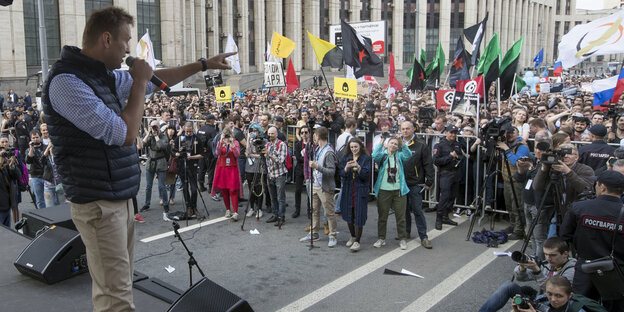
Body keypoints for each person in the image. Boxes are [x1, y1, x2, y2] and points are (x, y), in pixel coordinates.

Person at [41, 7, 234, 310]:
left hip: (117, 197)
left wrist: (202, 64)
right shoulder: (67, 82)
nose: (128, 49)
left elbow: (159, 78)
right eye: (125, 41)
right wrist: (141, 82)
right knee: (115, 298)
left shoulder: (100, 76)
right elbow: (124, 133)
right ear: (106, 39)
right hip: (98, 203)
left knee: (119, 287)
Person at [560, 170, 624, 311]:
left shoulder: (580, 207)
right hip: (617, 271)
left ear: (603, 187)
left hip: (586, 268)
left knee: (581, 307)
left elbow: (564, 236)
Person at [478, 237, 577, 312]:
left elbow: (555, 291)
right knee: (509, 286)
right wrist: (522, 267)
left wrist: (537, 272)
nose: (548, 258)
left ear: (565, 254)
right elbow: (520, 278)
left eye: (552, 255)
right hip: (542, 300)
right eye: (546, 254)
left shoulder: (572, 269)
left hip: (557, 306)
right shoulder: (549, 263)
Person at [299, 126, 338, 247]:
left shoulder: (329, 152)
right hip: (315, 184)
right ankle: (314, 232)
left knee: (329, 212)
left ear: (318, 136)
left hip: (325, 187)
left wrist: (317, 167)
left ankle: (332, 235)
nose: (313, 137)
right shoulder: (317, 149)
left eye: (314, 135)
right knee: (314, 210)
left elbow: (332, 171)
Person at [371, 135, 412, 250]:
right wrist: (381, 142)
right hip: (384, 190)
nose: (393, 145)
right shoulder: (382, 156)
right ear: (388, 144)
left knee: (401, 216)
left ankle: (402, 238)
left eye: (396, 144)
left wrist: (402, 142)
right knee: (382, 216)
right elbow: (374, 155)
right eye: (391, 143)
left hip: (399, 190)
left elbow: (408, 155)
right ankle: (381, 238)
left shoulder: (399, 156)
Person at [400, 120, 434, 248]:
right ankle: (406, 232)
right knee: (403, 210)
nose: (405, 131)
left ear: (414, 129)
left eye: (408, 128)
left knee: (417, 210)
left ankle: (423, 237)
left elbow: (428, 164)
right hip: (401, 183)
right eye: (403, 129)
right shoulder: (398, 143)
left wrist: (429, 181)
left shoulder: (421, 145)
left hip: (415, 183)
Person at [338, 137, 372, 252]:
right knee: (349, 214)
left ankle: (357, 240)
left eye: (356, 147)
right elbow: (341, 173)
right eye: (352, 147)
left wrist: (358, 167)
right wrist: (346, 168)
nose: (354, 149)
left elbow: (366, 175)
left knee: (359, 215)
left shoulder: (366, 158)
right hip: (348, 189)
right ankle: (352, 236)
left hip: (359, 189)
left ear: (360, 147)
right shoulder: (346, 157)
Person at [497, 127, 530, 240]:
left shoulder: (522, 147)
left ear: (518, 134)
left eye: (512, 132)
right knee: (510, 206)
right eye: (508, 132)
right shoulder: (507, 145)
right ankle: (513, 225)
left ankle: (519, 230)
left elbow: (517, 163)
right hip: (507, 179)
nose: (510, 135)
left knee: (518, 206)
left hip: (517, 181)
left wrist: (506, 149)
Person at [511, 276, 607, 312]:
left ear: (570, 296)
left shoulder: (578, 310)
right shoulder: (542, 299)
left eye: (559, 296)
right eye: (549, 293)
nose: (552, 299)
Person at [432, 125, 464, 230]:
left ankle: (446, 216)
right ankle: (439, 218)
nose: (453, 135)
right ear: (446, 133)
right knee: (444, 197)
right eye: (451, 132)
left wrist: (457, 157)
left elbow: (461, 156)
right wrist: (450, 157)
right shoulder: (440, 145)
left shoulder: (457, 144)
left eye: (455, 133)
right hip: (445, 173)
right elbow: (436, 161)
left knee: (452, 196)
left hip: (456, 173)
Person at [140, 120, 170, 220]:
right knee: (148, 186)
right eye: (152, 126)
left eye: (155, 127)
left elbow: (161, 146)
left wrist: (156, 135)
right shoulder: (150, 135)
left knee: (162, 186)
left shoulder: (164, 136)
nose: (154, 129)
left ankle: (165, 204)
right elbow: (143, 145)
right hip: (150, 162)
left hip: (161, 162)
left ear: (159, 127)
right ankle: (146, 203)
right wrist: (148, 133)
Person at [175, 122, 205, 218]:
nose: (188, 133)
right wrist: (178, 152)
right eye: (187, 131)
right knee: (184, 187)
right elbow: (173, 151)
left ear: (193, 129)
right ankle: (188, 206)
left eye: (190, 131)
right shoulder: (179, 138)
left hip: (193, 166)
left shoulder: (197, 139)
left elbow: (202, 155)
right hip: (182, 166)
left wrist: (191, 157)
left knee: (194, 189)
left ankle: (194, 206)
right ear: (184, 129)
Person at [213, 128, 242, 221]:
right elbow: (217, 152)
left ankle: (236, 211)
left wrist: (232, 144)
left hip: (232, 169)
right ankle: (228, 209)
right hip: (222, 168)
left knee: (233, 190)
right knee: (224, 190)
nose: (227, 136)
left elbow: (237, 154)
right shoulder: (220, 143)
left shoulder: (235, 142)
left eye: (229, 134)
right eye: (225, 134)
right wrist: (221, 141)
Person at [264, 126, 288, 227]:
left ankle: (281, 217)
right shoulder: (268, 144)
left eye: (272, 133)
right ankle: (275, 214)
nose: (270, 135)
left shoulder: (281, 144)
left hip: (279, 175)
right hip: (270, 174)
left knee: (280, 198)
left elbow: (280, 161)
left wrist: (269, 155)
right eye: (269, 134)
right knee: (273, 197)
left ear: (277, 134)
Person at [244, 123, 266, 218]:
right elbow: (247, 151)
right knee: (251, 189)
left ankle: (259, 209)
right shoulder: (250, 140)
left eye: (255, 131)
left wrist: (251, 155)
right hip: (250, 167)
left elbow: (261, 155)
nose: (254, 133)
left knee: (259, 188)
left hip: (260, 167)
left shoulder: (263, 141)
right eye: (252, 131)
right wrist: (248, 139)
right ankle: (252, 208)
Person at [24, 129, 47, 209]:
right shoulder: (28, 150)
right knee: (40, 200)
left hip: (46, 175)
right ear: (31, 139)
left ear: (40, 137)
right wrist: (31, 148)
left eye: (37, 137)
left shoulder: (45, 147)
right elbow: (28, 161)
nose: (35, 139)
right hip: (36, 176)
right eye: (33, 138)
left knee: (48, 198)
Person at [292, 124, 311, 218]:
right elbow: (297, 158)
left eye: (306, 132)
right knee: (298, 190)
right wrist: (304, 158)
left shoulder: (312, 144)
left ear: (309, 133)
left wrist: (303, 157)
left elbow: (312, 158)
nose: (304, 134)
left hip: (309, 170)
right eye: (302, 132)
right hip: (300, 168)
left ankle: (309, 211)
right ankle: (297, 210)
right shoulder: (298, 144)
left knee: (309, 191)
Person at [0, 144, 21, 227]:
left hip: (7, 205)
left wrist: (12, 166)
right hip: (1, 207)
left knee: (6, 232)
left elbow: (17, 176)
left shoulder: (6, 166)